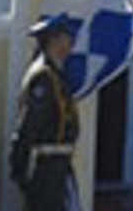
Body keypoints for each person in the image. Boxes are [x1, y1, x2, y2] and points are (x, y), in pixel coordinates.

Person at [9, 13, 81, 211]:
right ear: (53, 40)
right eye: (66, 38)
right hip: (46, 167)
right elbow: (30, 124)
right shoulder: (43, 77)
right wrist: (20, 165)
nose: (70, 44)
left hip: (59, 165)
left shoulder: (56, 74)